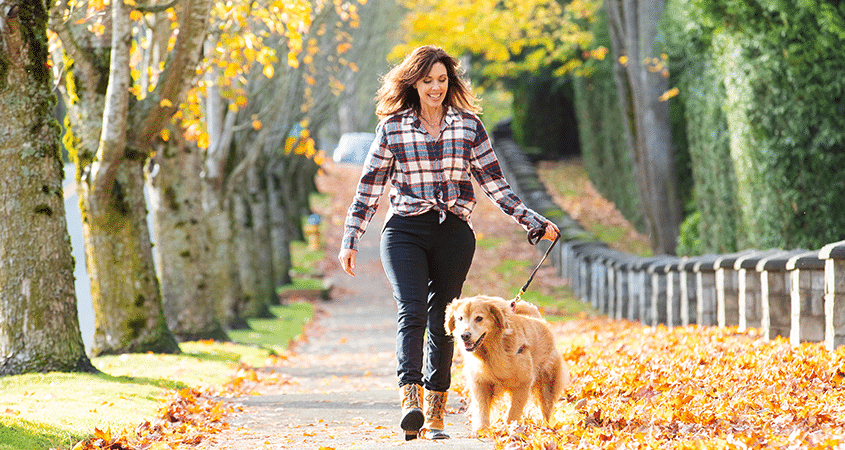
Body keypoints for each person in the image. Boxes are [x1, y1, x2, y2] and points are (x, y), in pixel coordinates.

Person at [337, 45, 559, 441]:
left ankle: (437, 412)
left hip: (454, 232)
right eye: (427, 81)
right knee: (412, 311)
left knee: (447, 320)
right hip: (404, 229)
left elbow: (495, 184)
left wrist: (534, 221)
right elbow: (369, 187)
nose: (435, 88)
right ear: (414, 83)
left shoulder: (469, 126)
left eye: (442, 80)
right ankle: (412, 402)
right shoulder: (393, 127)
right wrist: (351, 237)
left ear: (450, 82)